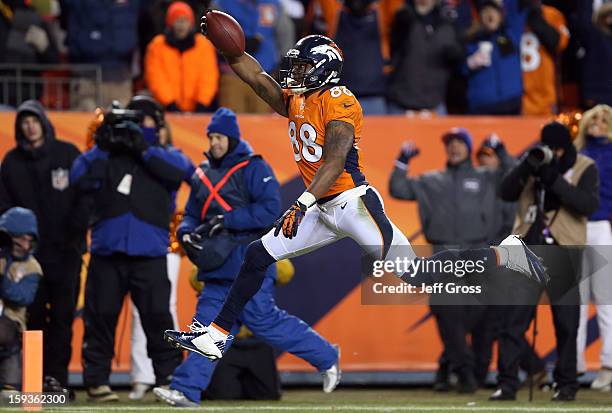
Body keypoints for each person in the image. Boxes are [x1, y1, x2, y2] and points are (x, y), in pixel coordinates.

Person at [165, 27, 548, 363]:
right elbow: (257, 78)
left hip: (353, 204)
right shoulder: (298, 99)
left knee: (417, 274)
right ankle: (216, 335)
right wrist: (227, 47)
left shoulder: (341, 100)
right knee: (257, 254)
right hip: (320, 204)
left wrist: (302, 202)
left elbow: (334, 160)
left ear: (324, 68)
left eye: (302, 66)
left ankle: (505, 253)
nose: (295, 72)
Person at [153, 107, 339, 407]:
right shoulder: (204, 172)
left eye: (220, 137)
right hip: (217, 268)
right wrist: (186, 232)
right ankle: (186, 390)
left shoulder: (254, 168)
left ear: (232, 138)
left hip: (247, 265)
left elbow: (269, 210)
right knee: (206, 328)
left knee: (265, 321)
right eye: (211, 137)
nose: (214, 142)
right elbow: (190, 214)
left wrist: (227, 220)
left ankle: (328, 357)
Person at [70, 102, 193, 402]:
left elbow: (187, 171)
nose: (138, 127)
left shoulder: (165, 156)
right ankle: (97, 383)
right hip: (107, 255)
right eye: (133, 121)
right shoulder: (105, 155)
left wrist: (145, 149)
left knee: (158, 320)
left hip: (149, 255)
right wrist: (102, 143)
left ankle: (168, 381)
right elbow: (77, 177)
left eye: (145, 121)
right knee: (99, 319)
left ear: (159, 125)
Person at [389, 129, 514, 393]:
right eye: (450, 143)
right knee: (448, 316)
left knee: (480, 320)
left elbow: (513, 177)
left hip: (478, 255)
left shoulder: (487, 176)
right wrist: (402, 161)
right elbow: (398, 189)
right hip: (444, 257)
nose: (454, 147)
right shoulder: (431, 180)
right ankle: (465, 374)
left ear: (468, 148)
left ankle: (465, 370)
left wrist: (501, 150)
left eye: (460, 143)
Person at [493, 121, 600, 402]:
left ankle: (566, 385)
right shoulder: (532, 163)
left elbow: (586, 205)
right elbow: (504, 192)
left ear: (567, 148)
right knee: (513, 320)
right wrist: (526, 167)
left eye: (558, 149)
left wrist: (554, 179)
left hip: (564, 250)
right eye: (548, 147)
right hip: (527, 249)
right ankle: (506, 384)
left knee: (566, 323)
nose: (552, 152)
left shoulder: (584, 167)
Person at [0, 100, 85, 392]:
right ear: (19, 127)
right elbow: (3, 207)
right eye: (24, 121)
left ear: (44, 122)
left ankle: (56, 381)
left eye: (34, 120)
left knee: (63, 319)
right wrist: (15, 245)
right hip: (27, 258)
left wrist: (76, 235)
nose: (30, 125)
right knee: (32, 320)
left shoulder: (69, 154)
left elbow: (85, 199)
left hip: (66, 254)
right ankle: (34, 381)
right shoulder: (11, 162)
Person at [123, 94, 194, 400]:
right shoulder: (132, 156)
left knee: (163, 310)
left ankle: (167, 375)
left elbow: (187, 173)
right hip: (145, 240)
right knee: (143, 313)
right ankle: (143, 375)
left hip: (165, 242)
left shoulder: (167, 156)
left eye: (156, 126)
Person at [575, 104, 612, 390]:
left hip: (599, 227)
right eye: (593, 119)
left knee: (605, 302)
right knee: (575, 302)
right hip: (574, 229)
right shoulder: (575, 154)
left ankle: (608, 365)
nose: (596, 124)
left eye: (603, 120)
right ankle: (571, 366)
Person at [386, 0, 462, 115]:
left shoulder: (448, 22)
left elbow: (458, 58)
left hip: (435, 104)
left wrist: (456, 54)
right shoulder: (403, 19)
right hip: (401, 104)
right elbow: (393, 47)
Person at [144, 1, 219, 113]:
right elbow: (155, 78)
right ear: (170, 23)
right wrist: (170, 104)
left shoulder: (203, 45)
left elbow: (209, 77)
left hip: (199, 110)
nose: (181, 25)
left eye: (185, 20)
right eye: (177, 20)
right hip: (167, 110)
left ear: (191, 23)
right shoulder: (157, 46)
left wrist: (202, 103)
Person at [0, 207, 42, 392]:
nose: (25, 245)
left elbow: (23, 297)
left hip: (11, 323)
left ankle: (11, 383)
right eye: (20, 239)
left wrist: (2, 277)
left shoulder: (32, 267)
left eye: (29, 240)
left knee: (10, 398)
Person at [462, 0, 527, 115]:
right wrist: (469, 64)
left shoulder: (511, 34)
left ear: (501, 15)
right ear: (479, 17)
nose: (490, 15)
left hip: (511, 104)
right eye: (485, 12)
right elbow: (458, 69)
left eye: (493, 11)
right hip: (481, 107)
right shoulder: (471, 41)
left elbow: (517, 8)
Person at [0, 0, 60, 107]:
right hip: (4, 96)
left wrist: (44, 47)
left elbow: (54, 61)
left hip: (29, 97)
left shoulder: (34, 17)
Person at [520, 3, 569, 115]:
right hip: (518, 99)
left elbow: (560, 43)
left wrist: (538, 22)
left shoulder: (552, 15)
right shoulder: (509, 14)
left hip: (546, 97)